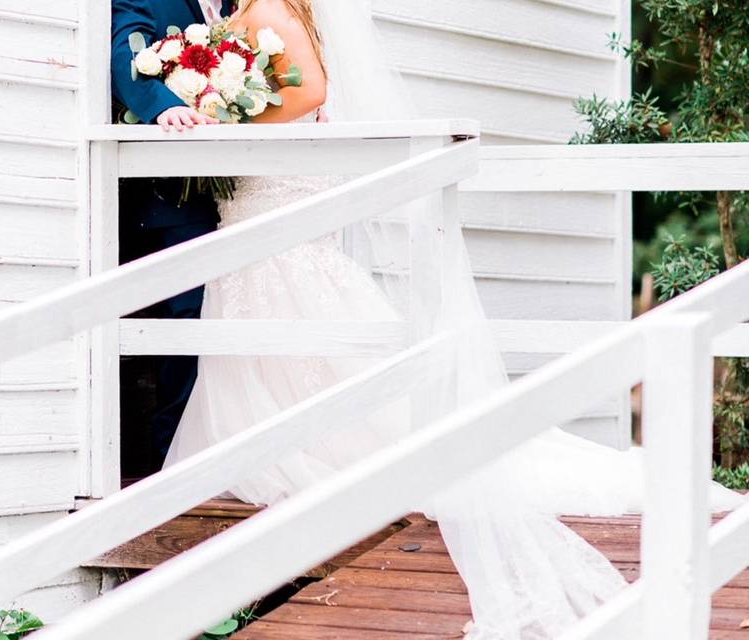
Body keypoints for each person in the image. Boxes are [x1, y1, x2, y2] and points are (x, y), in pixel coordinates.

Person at [159, 1, 747, 638]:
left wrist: (227, 116)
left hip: (270, 197)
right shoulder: (256, 8)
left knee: (295, 311)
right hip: (261, 195)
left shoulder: (272, 5)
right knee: (281, 313)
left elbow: (311, 93)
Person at [111, 0, 231, 469]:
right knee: (191, 315)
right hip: (173, 195)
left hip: (233, 189)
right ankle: (173, 458)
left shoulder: (240, 6)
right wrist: (162, 108)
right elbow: (127, 48)